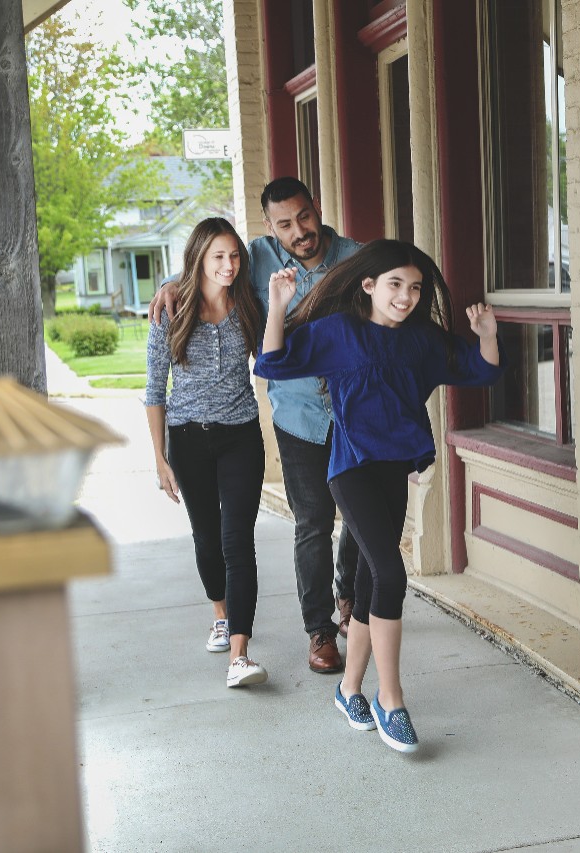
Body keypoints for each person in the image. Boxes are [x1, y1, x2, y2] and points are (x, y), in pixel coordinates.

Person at [253, 239, 502, 753]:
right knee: (390, 574)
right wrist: (277, 306)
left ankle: (349, 691)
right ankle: (392, 699)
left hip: (396, 469)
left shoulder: (421, 341)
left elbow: (483, 372)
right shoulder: (338, 333)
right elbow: (273, 363)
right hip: (351, 467)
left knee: (370, 582)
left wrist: (487, 336)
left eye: (414, 288)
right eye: (395, 285)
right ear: (367, 285)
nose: (406, 296)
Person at [150, 177, 359, 674]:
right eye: (284, 223)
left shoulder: (354, 258)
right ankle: (318, 632)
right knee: (308, 523)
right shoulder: (257, 256)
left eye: (304, 217)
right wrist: (172, 284)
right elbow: (213, 258)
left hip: (352, 412)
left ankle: (346, 595)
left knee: (355, 517)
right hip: (296, 415)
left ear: (318, 209)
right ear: (269, 227)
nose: (298, 230)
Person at [145, 217, 268, 688]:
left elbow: (272, 355)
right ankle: (220, 612)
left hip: (240, 434)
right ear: (198, 259)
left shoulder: (248, 306)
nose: (229, 265)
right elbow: (155, 390)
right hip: (188, 439)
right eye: (218, 256)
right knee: (207, 537)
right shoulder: (171, 310)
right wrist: (161, 459)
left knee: (238, 539)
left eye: (234, 255)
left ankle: (240, 652)